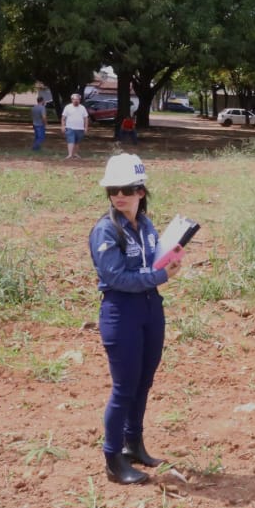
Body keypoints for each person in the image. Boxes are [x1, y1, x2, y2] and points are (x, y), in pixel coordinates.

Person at [88, 153, 182, 484]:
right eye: (113, 189)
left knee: (144, 381)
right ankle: (113, 458)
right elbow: (116, 277)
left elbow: (151, 264)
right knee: (124, 387)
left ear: (141, 191)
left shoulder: (145, 225)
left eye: (126, 189)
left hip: (149, 308)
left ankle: (134, 444)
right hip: (121, 311)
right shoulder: (106, 230)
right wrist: (158, 277)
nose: (119, 196)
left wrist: (170, 260)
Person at [61, 93, 89, 160]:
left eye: (78, 99)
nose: (76, 101)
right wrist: (63, 126)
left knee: (77, 142)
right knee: (71, 141)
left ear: (80, 100)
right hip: (70, 127)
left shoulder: (82, 108)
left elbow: (86, 118)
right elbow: (63, 118)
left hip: (80, 128)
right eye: (75, 99)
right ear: (72, 100)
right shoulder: (67, 107)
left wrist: (86, 127)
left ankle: (75, 153)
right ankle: (70, 154)